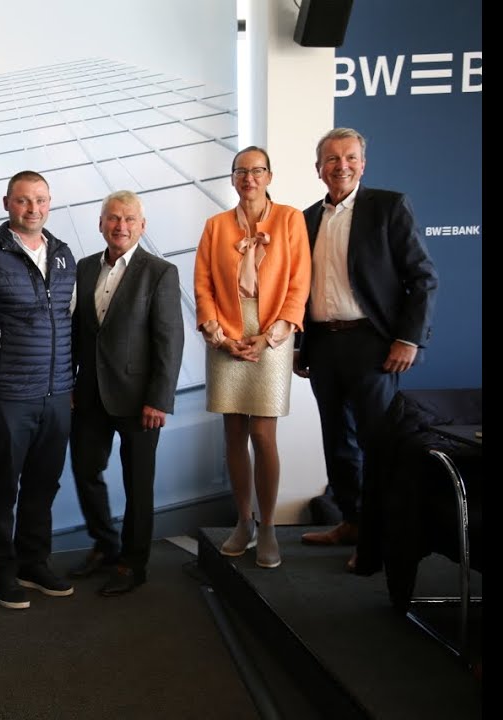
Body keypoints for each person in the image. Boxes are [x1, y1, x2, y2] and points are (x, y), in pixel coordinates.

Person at [295, 128, 439, 572]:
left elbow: (422, 278)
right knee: (336, 441)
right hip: (323, 344)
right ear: (318, 169)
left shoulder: (388, 207)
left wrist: (408, 338)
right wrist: (302, 346)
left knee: (377, 447)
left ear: (363, 163)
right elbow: (300, 288)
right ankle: (353, 523)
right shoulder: (305, 219)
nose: (341, 166)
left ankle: (378, 544)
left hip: (373, 345)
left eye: (350, 157)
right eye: (331, 159)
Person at [194, 147, 311, 569]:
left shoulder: (291, 219)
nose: (249, 178)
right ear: (232, 178)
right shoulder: (215, 225)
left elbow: (299, 284)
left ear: (269, 176)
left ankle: (267, 527)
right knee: (233, 436)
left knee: (263, 436)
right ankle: (242, 522)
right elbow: (203, 286)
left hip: (273, 334)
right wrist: (220, 337)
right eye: (241, 171)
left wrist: (270, 337)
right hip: (225, 332)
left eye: (257, 171)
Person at [69, 191, 184, 594]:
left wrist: (160, 398)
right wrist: (69, 382)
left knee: (138, 484)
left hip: (140, 401)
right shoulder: (83, 269)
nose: (121, 226)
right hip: (88, 395)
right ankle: (105, 545)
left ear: (142, 226)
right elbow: (74, 335)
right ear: (101, 224)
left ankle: (133, 564)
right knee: (85, 470)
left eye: (129, 219)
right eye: (113, 218)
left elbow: (169, 341)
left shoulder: (160, 273)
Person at [0, 170, 77, 609]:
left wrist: (67, 385)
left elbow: (69, 318)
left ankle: (33, 562)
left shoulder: (63, 256)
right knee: (3, 489)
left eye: (40, 200)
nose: (32, 209)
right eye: (23, 201)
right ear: (6, 204)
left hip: (57, 394)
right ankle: (1, 571)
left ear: (50, 203)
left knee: (44, 484)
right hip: (8, 396)